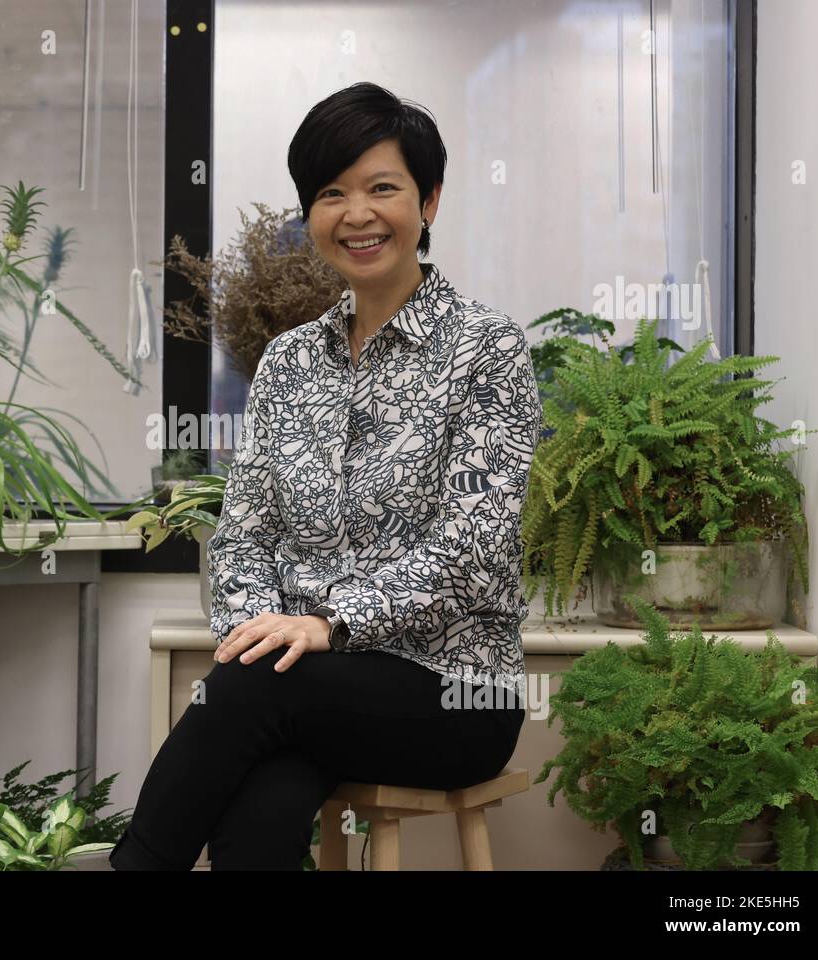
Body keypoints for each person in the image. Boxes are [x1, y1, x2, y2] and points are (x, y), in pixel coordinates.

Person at [111, 81, 542, 871]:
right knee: (259, 800)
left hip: (453, 691)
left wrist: (331, 622)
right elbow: (244, 534)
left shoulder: (489, 349)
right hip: (303, 692)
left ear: (429, 201)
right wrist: (255, 633)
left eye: (383, 188)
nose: (357, 213)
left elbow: (475, 543)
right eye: (331, 193)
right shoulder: (287, 362)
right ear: (310, 215)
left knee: (247, 697)